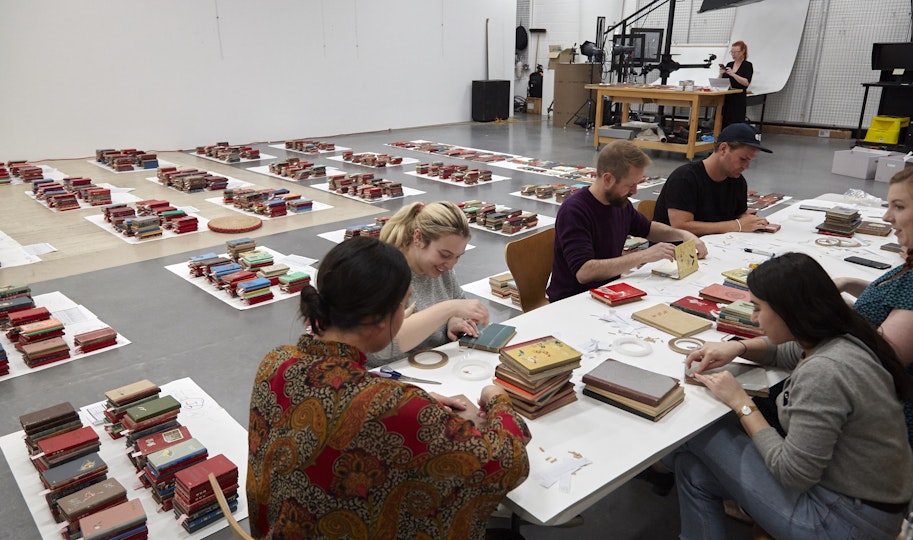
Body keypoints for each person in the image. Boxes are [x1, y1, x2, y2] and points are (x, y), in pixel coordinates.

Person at [246, 236, 532, 540]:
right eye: (403, 305)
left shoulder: (276, 362)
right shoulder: (393, 405)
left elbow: (331, 407)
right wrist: (498, 400)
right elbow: (510, 461)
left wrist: (403, 403)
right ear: (379, 319)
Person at [663, 252, 913, 539]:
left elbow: (792, 473)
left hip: (845, 520)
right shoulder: (843, 337)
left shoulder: (824, 372)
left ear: (788, 311)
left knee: (698, 433)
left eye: (757, 308)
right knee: (691, 469)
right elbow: (786, 351)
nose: (754, 318)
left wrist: (742, 404)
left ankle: (659, 464)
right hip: (862, 501)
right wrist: (738, 348)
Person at [547, 140, 708, 303]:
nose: (634, 191)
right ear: (608, 179)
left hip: (609, 292)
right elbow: (584, 272)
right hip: (574, 301)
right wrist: (644, 256)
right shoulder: (575, 211)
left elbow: (649, 229)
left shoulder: (619, 203)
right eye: (630, 185)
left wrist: (684, 234)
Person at [834, 167, 913, 444]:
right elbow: (892, 300)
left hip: (881, 423)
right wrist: (847, 282)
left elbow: (877, 360)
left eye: (899, 206)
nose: (886, 217)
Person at [367, 201, 489, 368]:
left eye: (458, 256)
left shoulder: (441, 269)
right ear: (418, 238)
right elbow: (382, 346)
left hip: (436, 365)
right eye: (445, 254)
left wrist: (454, 321)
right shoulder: (384, 272)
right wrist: (449, 309)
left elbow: (458, 304)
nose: (451, 265)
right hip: (394, 373)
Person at [653, 123, 772, 235]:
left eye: (750, 161)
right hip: (675, 251)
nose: (746, 167)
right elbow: (680, 227)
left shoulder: (737, 181)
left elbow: (740, 216)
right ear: (723, 148)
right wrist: (736, 225)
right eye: (743, 159)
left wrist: (752, 222)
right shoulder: (685, 178)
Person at [719, 40, 753, 127]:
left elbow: (746, 82)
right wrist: (721, 73)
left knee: (736, 121)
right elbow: (721, 81)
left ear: (742, 52)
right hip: (727, 97)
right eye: (732, 52)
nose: (733, 55)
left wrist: (733, 75)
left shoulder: (747, 65)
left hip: (738, 98)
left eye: (736, 52)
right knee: (724, 120)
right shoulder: (729, 64)